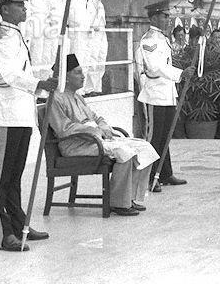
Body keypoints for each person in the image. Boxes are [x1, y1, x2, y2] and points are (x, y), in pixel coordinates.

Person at [0, 0, 57, 252]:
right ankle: (2, 234)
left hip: (21, 114)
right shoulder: (3, 38)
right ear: (5, 8)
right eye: (19, 4)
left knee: (15, 176)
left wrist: (39, 80)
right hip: (7, 115)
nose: (24, 7)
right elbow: (7, 74)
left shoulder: (16, 35)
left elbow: (19, 72)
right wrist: (38, 85)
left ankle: (18, 224)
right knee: (1, 177)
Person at [47, 54, 159, 216]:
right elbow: (63, 129)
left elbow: (96, 118)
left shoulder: (77, 97)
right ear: (65, 76)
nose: (83, 76)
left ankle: (130, 198)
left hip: (95, 140)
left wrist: (104, 128)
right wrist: (94, 131)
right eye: (78, 72)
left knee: (144, 147)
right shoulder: (55, 98)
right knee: (125, 153)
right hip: (76, 145)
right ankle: (119, 203)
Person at [134, 0, 194, 192]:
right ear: (154, 17)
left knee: (166, 136)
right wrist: (180, 74)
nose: (169, 20)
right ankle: (150, 177)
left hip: (167, 94)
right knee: (153, 137)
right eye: (165, 16)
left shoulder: (162, 38)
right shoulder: (149, 40)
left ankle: (165, 173)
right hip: (154, 95)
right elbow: (154, 66)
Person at [23, 0, 50, 76]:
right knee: (34, 56)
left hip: (43, 26)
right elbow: (26, 9)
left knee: (44, 56)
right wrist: (28, 30)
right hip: (33, 27)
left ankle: (42, 86)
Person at [43, 0, 67, 68]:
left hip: (64, 35)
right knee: (52, 61)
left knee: (63, 61)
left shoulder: (65, 0)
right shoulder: (49, 0)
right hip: (52, 36)